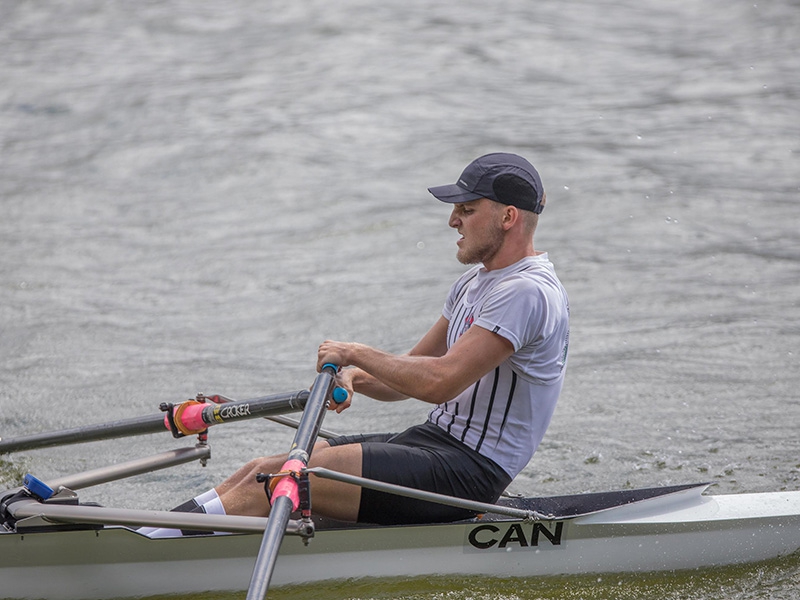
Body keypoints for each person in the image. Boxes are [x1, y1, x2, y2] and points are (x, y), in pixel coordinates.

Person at [142, 152, 569, 535]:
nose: (452, 221)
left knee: (294, 478)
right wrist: (357, 377)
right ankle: (152, 534)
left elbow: (439, 383)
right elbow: (409, 375)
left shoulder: (526, 292)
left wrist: (355, 351)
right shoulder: (473, 283)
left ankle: (147, 547)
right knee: (264, 469)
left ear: (508, 217)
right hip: (434, 440)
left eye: (466, 209)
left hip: (471, 470)